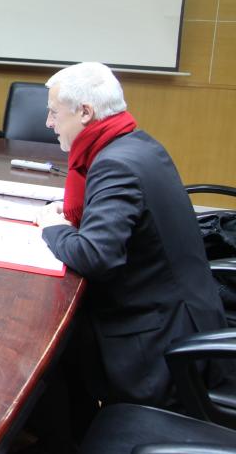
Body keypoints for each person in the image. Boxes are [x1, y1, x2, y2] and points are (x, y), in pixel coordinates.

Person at [36, 61, 226, 407]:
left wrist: (54, 229)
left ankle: (66, 430)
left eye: (54, 113)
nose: (49, 123)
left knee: (47, 342)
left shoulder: (114, 165)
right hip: (180, 310)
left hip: (158, 342)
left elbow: (96, 256)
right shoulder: (136, 143)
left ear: (85, 112)